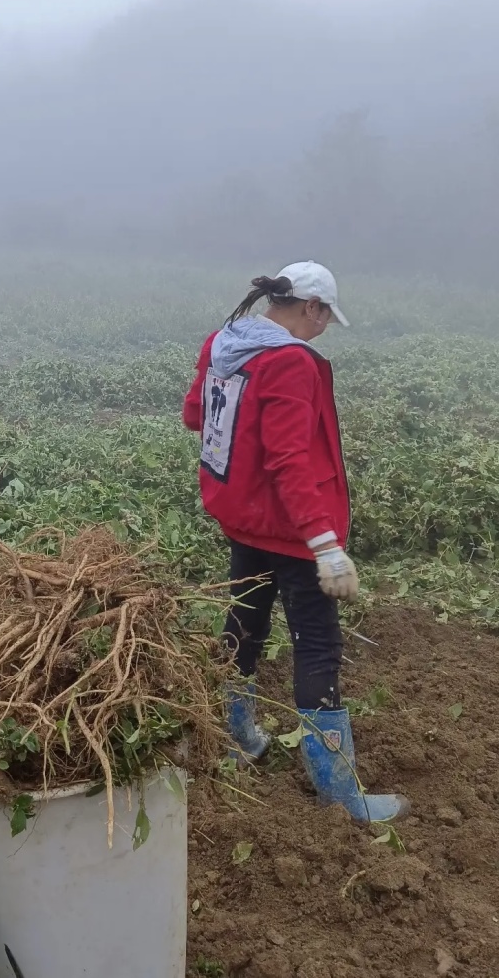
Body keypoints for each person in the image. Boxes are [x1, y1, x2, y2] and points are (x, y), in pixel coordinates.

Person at [183, 261, 407, 823]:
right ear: (310, 307)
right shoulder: (291, 362)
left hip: (243, 518)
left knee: (245, 622)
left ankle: (238, 739)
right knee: (318, 647)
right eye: (326, 315)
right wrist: (325, 544)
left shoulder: (225, 341)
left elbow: (195, 416)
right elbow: (289, 460)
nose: (325, 327)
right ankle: (339, 796)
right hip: (289, 530)